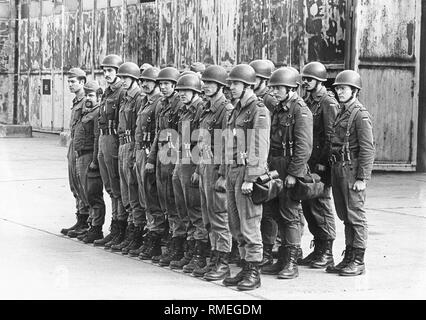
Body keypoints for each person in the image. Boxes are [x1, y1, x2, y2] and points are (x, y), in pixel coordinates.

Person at [220, 64, 270, 291]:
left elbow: (259, 147)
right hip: (232, 171)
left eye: (235, 84)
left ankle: (254, 271)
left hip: (246, 173)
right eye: (230, 83)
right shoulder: (235, 110)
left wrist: (251, 177)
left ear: (248, 85)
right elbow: (227, 144)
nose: (231, 87)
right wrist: (223, 173)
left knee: (249, 223)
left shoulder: (258, 110)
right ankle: (244, 265)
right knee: (235, 223)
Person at [261, 67, 313, 279]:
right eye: (272, 87)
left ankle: (291, 261)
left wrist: (294, 173)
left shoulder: (300, 110)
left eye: (278, 87)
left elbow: (304, 146)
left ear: (291, 88)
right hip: (275, 164)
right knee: (274, 211)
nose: (273, 91)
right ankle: (282, 259)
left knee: (290, 215)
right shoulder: (279, 108)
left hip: (288, 166)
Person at [326, 70, 375, 276]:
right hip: (339, 169)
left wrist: (362, 178)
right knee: (345, 215)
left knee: (356, 215)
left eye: (344, 88)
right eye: (337, 89)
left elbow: (368, 148)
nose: (340, 92)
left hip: (352, 170)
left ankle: (358, 259)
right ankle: (349, 255)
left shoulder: (360, 114)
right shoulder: (341, 111)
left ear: (354, 90)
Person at [191, 65, 234, 281]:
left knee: (219, 216)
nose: (206, 86)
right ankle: (215, 258)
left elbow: (227, 145)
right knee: (208, 216)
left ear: (220, 86)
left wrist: (224, 175)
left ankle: (223, 262)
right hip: (206, 166)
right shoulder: (207, 108)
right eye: (205, 83)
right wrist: (199, 169)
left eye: (211, 83)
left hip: (217, 168)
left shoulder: (225, 110)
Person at [298, 61, 339, 269]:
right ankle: (318, 248)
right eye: (304, 79)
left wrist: (323, 164)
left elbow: (332, 136)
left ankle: (327, 251)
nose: (305, 82)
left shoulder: (327, 102)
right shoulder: (309, 100)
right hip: (309, 163)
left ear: (320, 81)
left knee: (321, 205)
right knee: (309, 205)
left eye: (309, 79)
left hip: (321, 165)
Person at [145, 67, 186, 265]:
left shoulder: (180, 105)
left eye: (167, 84)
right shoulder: (162, 104)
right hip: (162, 155)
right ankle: (171, 239)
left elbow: (183, 136)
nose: (163, 88)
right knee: (164, 200)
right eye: (161, 84)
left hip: (174, 156)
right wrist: (151, 159)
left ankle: (178, 243)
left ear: (175, 86)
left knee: (174, 200)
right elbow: (158, 134)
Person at [169, 73, 209, 273]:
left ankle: (200, 255)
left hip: (193, 162)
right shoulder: (184, 110)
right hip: (182, 160)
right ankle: (190, 250)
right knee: (182, 207)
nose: (181, 94)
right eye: (180, 91)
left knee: (195, 210)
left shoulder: (200, 108)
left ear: (195, 91)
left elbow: (203, 140)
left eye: (185, 91)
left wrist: (199, 168)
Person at [129, 67, 165, 259]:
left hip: (152, 153)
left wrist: (151, 157)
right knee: (143, 195)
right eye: (142, 81)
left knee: (151, 196)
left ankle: (156, 237)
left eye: (149, 81)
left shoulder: (159, 103)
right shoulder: (144, 101)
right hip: (141, 150)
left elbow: (159, 131)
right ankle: (149, 233)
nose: (144, 84)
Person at [110, 62, 146, 254]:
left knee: (133, 190)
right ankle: (129, 232)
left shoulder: (138, 97)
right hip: (123, 144)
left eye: (125, 78)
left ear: (133, 79)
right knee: (125, 192)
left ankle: (136, 234)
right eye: (121, 77)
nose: (122, 81)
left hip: (133, 145)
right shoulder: (125, 97)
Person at [93, 54, 126, 248]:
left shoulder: (121, 92)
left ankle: (119, 227)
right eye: (104, 71)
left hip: (114, 140)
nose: (106, 74)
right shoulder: (107, 92)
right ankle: (115, 227)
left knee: (117, 186)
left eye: (110, 71)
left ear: (118, 73)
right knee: (109, 187)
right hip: (104, 138)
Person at [249, 59, 279, 268]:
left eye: (257, 78)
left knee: (270, 208)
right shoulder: (254, 100)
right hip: (259, 158)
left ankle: (273, 248)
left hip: (270, 159)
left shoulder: (269, 101)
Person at [73, 80, 106, 243]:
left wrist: (94, 161)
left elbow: (96, 138)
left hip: (89, 156)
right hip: (81, 155)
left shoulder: (97, 112)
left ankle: (96, 228)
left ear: (99, 96)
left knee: (93, 193)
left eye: (91, 95)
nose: (88, 98)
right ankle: (89, 224)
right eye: (86, 95)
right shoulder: (87, 112)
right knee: (84, 192)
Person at [61, 68, 90, 238]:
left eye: (73, 81)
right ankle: (80, 218)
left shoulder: (87, 100)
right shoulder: (76, 101)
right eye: (69, 82)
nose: (70, 85)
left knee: (83, 184)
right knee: (74, 183)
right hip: (74, 144)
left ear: (82, 82)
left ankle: (86, 221)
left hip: (83, 146)